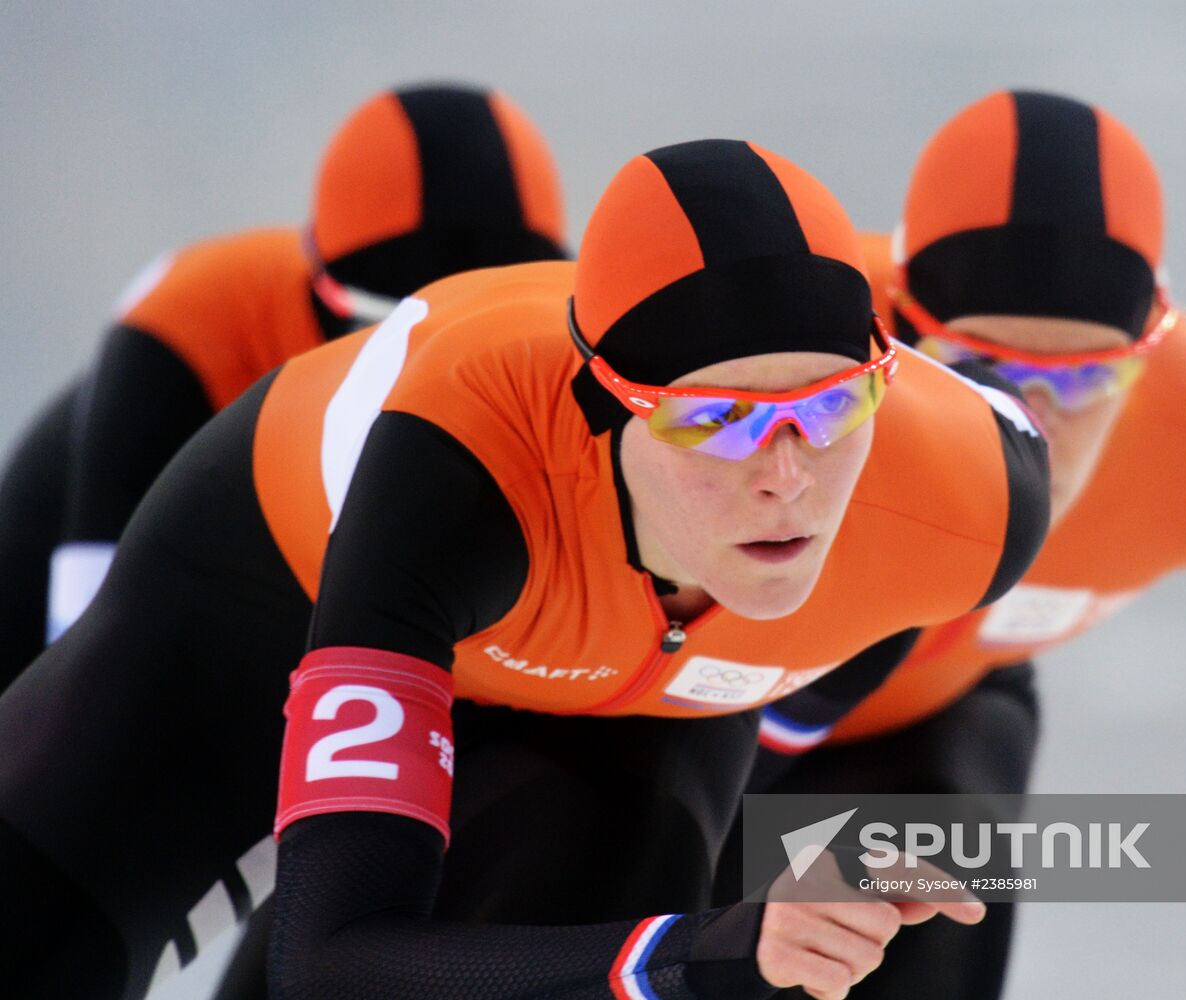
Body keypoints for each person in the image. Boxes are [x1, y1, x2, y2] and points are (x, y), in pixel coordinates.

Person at [0, 138, 1049, 999]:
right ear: (603, 412)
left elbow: (874, 664)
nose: (789, 477)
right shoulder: (455, 480)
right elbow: (331, 960)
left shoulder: (978, 499)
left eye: (828, 406)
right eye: (717, 421)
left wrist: (761, 892)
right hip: (276, 586)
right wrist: (710, 943)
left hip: (626, 699)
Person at [745, 91, 1186, 999]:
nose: (1030, 420)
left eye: (1087, 377)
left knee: (923, 882)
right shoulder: (774, 372)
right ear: (894, 336)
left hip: (934, 703)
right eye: (983, 368)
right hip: (683, 710)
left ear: (1145, 358)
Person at [0, 81, 567, 689]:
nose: (419, 364)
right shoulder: (194, 313)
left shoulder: (548, 347)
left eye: (473, 341)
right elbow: (87, 608)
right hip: (91, 525)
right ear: (318, 284)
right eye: (386, 326)